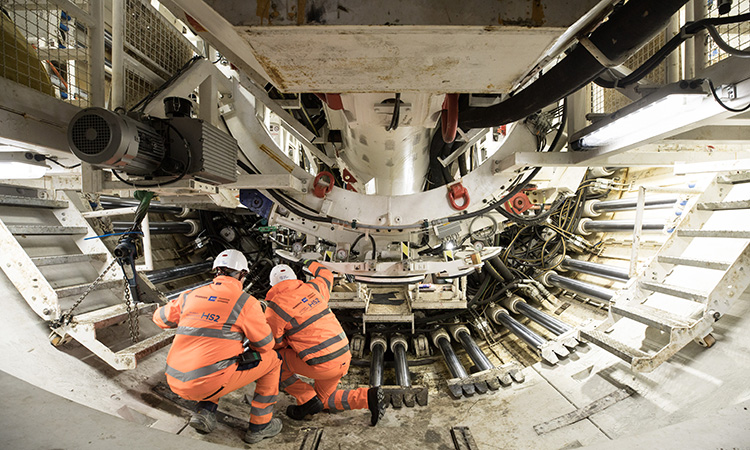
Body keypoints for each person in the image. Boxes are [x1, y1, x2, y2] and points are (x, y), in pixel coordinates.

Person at [152, 249, 283, 444]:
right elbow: (265, 345)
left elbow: (159, 319)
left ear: (216, 271)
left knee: (215, 355)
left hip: (174, 378)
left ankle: (205, 411)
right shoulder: (246, 303)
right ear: (242, 274)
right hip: (206, 383)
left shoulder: (192, 295)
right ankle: (260, 426)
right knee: (272, 360)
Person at [265, 260, 386, 425]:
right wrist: (309, 262)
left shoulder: (276, 306)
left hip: (322, 364)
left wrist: (288, 340)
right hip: (343, 356)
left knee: (273, 361)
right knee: (323, 401)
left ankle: (305, 397)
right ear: (294, 278)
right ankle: (367, 397)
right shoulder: (313, 288)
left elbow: (273, 343)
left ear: (272, 285)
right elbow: (326, 274)